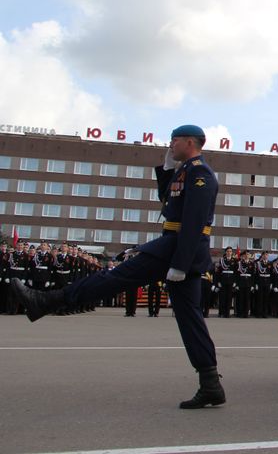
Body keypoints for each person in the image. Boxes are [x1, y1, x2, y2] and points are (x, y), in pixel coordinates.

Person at [11, 124, 226, 409]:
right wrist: (165, 169)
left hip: (177, 248)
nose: (170, 144)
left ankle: (49, 301)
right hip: (172, 246)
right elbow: (167, 202)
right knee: (190, 320)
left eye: (174, 140)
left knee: (114, 277)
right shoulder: (185, 170)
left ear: (190, 142)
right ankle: (210, 385)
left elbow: (195, 222)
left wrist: (181, 263)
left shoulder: (200, 173)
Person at [216, 247, 237, 318]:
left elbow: (236, 272)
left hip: (231, 281)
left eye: (230, 251)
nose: (229, 252)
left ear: (232, 252)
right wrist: (218, 281)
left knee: (229, 298)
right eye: (228, 251)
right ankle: (221, 313)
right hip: (223, 281)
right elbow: (218, 272)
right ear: (225, 252)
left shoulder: (235, 260)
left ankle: (227, 313)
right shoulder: (222, 260)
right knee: (222, 297)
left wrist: (235, 281)